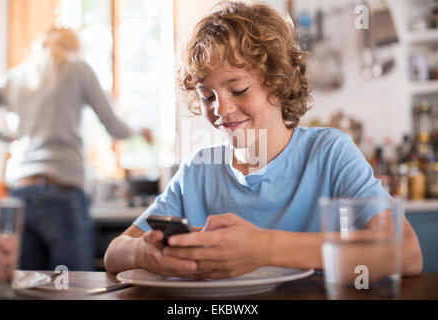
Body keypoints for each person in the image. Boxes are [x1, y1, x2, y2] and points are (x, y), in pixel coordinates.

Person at [103, 1, 422, 278]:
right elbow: (115, 253)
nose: (222, 109)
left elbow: (406, 253)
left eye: (239, 90)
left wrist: (264, 248)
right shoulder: (200, 169)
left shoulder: (328, 153)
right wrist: (145, 255)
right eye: (207, 96)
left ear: (278, 80)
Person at [0, 27, 151, 271]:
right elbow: (115, 127)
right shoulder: (78, 69)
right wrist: (140, 130)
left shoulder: (16, 76)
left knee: (27, 288)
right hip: (62, 194)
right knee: (72, 285)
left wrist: (12, 139)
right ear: (73, 46)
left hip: (21, 194)